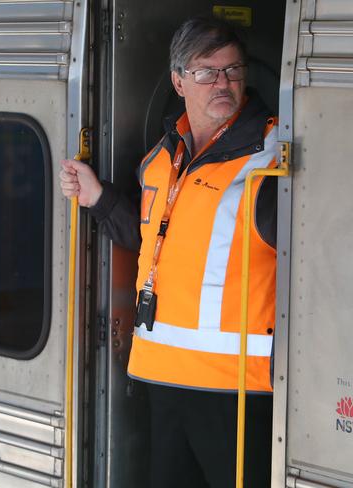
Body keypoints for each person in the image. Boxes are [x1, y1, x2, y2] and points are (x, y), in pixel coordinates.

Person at [60, 17, 277, 487]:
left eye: (232, 70)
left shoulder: (272, 158)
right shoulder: (160, 161)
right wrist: (99, 198)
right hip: (162, 378)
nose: (222, 83)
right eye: (206, 72)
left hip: (235, 390)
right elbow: (154, 244)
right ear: (178, 81)